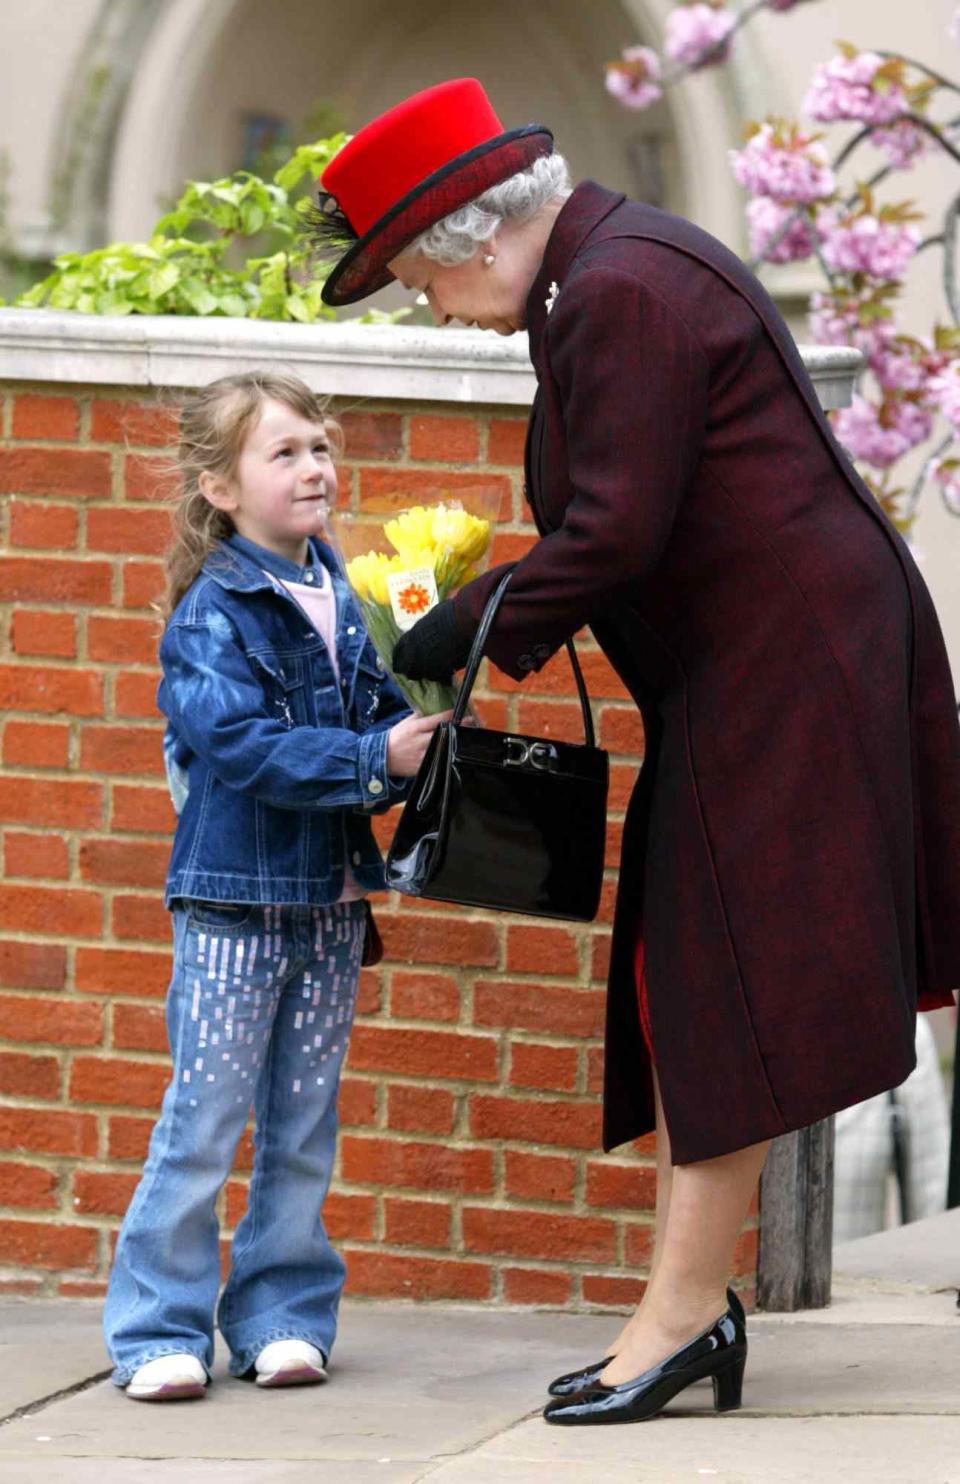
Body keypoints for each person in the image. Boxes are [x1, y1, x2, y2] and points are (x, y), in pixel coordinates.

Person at [311, 78, 960, 1425]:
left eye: (416, 279)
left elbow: (614, 531)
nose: (427, 308)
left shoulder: (618, 293)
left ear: (478, 236)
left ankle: (680, 1322)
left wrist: (452, 630)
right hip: (771, 666)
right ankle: (684, 1314)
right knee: (698, 976)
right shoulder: (605, 276)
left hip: (791, 672)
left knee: (714, 981)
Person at [103, 371, 447, 1400]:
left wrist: (423, 720)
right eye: (284, 452)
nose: (313, 467)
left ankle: (282, 1312)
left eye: (320, 446)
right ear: (218, 484)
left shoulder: (345, 590)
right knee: (204, 1118)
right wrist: (372, 759)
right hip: (233, 905)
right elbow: (244, 746)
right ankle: (157, 1326)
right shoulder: (214, 613)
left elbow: (378, 708)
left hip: (331, 904)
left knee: (303, 1123)